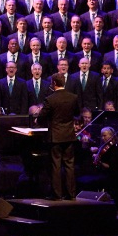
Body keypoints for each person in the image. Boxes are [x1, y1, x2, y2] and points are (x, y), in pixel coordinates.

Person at [38, 72, 80, 200]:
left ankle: (57, 195)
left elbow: (41, 118)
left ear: (54, 83)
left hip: (55, 136)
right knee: (69, 165)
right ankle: (71, 194)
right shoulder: (73, 97)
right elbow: (77, 113)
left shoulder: (50, 99)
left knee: (56, 166)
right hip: (69, 135)